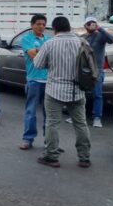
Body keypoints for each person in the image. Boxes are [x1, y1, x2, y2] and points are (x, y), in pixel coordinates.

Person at [33, 16, 92, 168]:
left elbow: (38, 64)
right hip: (78, 89)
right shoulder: (82, 42)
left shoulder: (49, 43)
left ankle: (51, 156)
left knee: (52, 123)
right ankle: (84, 157)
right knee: (81, 124)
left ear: (54, 29)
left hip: (54, 90)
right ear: (69, 27)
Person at [20, 14, 49, 149]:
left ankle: (49, 141)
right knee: (31, 111)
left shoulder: (49, 39)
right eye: (38, 24)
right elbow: (33, 55)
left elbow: (51, 56)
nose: (41, 27)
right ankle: (28, 139)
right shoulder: (26, 39)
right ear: (32, 25)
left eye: (43, 24)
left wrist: (39, 51)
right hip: (34, 80)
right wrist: (45, 52)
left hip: (49, 81)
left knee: (49, 113)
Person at [83, 16, 113, 128]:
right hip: (84, 70)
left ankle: (97, 117)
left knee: (97, 94)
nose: (91, 25)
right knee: (80, 94)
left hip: (97, 70)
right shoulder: (84, 37)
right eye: (89, 23)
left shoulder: (101, 36)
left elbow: (112, 40)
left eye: (93, 23)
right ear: (85, 26)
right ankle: (78, 116)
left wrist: (100, 28)